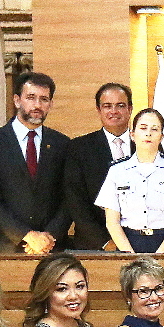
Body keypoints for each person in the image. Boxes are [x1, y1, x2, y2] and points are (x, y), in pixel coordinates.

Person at [0, 71, 72, 254]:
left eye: (44, 99)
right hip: (8, 245)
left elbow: (69, 197)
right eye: (31, 98)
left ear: (50, 104)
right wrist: (26, 235)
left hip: (52, 246)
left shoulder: (62, 144)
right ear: (17, 100)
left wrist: (49, 236)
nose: (37, 105)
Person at [95, 107, 164, 254]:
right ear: (132, 135)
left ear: (161, 137)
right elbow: (112, 222)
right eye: (143, 128)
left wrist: (160, 255)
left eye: (154, 129)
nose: (148, 133)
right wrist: (130, 256)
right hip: (129, 243)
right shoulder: (117, 171)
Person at [62, 82, 136, 251]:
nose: (114, 111)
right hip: (95, 245)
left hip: (140, 243)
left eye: (120, 105)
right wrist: (104, 242)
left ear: (130, 109)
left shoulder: (146, 144)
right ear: (98, 110)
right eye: (107, 106)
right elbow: (76, 202)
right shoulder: (79, 148)